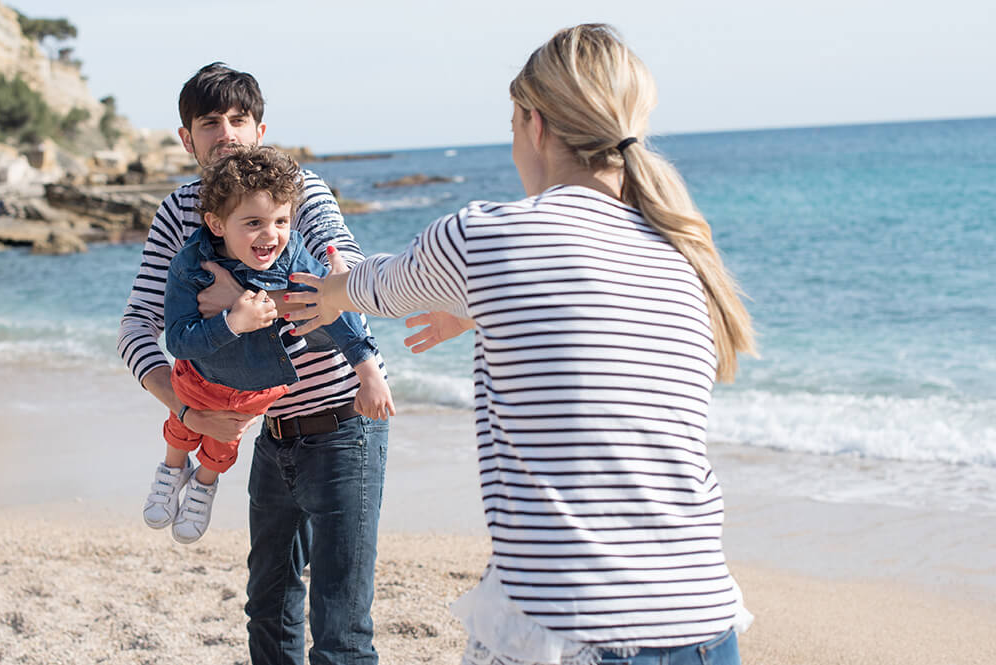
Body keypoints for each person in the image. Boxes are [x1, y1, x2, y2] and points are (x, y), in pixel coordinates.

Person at [285, 24, 756, 665]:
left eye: (512, 127)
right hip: (704, 622)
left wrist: (330, 294)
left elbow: (384, 287)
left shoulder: (485, 235)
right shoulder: (683, 258)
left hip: (574, 627)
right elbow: (591, 321)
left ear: (536, 125)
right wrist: (478, 313)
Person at [117, 63, 392, 664]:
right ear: (187, 139)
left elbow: (344, 280)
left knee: (341, 627)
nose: (227, 133)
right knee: (267, 610)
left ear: (260, 129)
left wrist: (246, 304)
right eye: (209, 122)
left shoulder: (299, 190)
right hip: (267, 432)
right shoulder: (177, 214)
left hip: (344, 424)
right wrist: (188, 408)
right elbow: (137, 329)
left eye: (239, 119)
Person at [145, 144, 392, 545]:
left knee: (223, 446)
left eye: (281, 220)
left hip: (256, 389)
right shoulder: (191, 264)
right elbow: (178, 340)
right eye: (254, 222)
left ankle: (203, 486)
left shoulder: (293, 253)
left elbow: (333, 306)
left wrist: (369, 372)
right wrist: (232, 323)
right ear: (217, 223)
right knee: (181, 430)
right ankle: (171, 472)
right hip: (200, 377)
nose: (271, 235)